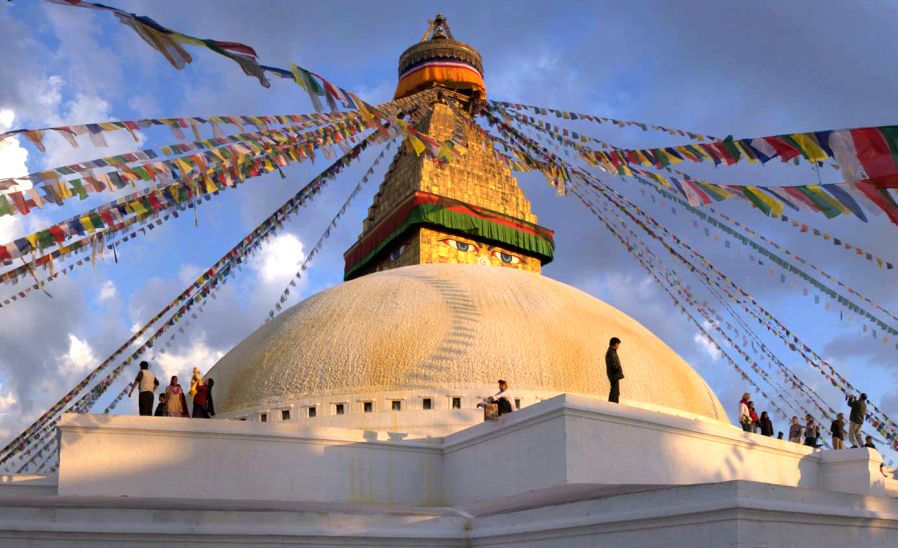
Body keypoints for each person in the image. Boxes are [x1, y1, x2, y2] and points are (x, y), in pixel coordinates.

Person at [605, 337, 624, 403]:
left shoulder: (612, 352)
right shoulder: (611, 353)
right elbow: (613, 363)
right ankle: (612, 406)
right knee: (614, 392)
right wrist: (618, 370)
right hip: (614, 375)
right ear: (615, 344)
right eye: (618, 344)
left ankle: (613, 405)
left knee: (616, 392)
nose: (618, 346)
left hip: (615, 375)